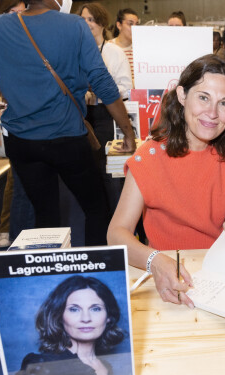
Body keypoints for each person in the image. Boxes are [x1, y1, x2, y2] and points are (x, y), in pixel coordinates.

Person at [0, 0, 136, 247]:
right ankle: (97, 269)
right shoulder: (74, 25)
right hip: (67, 138)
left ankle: (49, 275)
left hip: (22, 142)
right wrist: (127, 131)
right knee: (96, 208)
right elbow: (102, 82)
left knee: (45, 212)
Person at [107, 54, 225, 307]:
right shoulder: (149, 157)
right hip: (164, 275)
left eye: (224, 103)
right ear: (183, 96)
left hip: (217, 275)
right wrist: (155, 261)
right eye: (203, 98)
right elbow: (116, 234)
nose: (213, 113)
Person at [0, 0, 34, 249]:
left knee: (23, 176)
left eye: (22, 10)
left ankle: (14, 233)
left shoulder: (15, 31)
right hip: (12, 115)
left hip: (25, 113)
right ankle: (10, 232)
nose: (20, 15)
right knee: (19, 177)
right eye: (14, 11)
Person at [13, 276, 127, 375]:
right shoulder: (41, 364)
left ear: (109, 316)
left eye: (95, 309)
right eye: (74, 309)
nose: (86, 318)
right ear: (59, 316)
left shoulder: (106, 366)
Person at [77, 2, 133, 217]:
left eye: (91, 19)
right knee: (86, 172)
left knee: (105, 170)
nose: (87, 24)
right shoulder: (75, 50)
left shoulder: (113, 51)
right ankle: (96, 218)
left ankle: (115, 219)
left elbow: (126, 88)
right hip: (81, 116)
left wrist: (99, 91)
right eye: (82, 20)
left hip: (105, 116)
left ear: (101, 23)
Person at [109, 8, 139, 87]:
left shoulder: (140, 48)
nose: (135, 28)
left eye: (137, 24)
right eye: (130, 24)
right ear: (119, 25)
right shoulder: (108, 47)